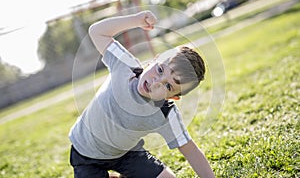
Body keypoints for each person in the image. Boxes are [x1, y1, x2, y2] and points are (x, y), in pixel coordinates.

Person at [69, 10, 215, 178]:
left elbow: (190, 150)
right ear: (155, 59)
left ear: (172, 97)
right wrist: (136, 20)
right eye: (160, 70)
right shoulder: (126, 66)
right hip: (86, 152)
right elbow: (96, 32)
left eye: (168, 86)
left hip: (126, 154)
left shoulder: (166, 114)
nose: (156, 82)